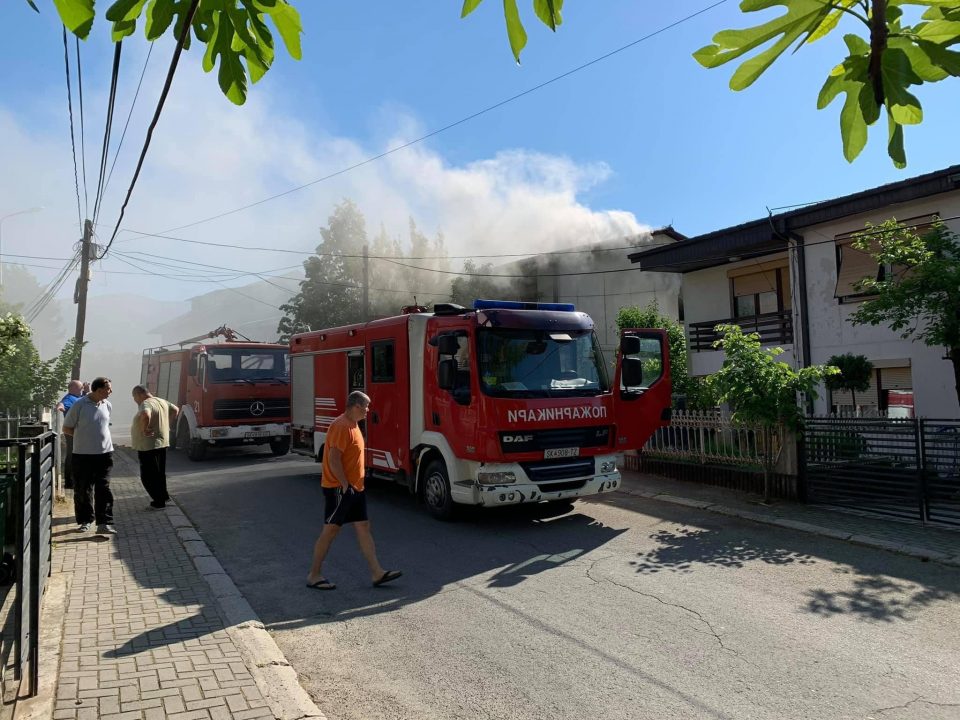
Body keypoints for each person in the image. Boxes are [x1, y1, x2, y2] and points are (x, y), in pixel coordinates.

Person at [305, 391, 401, 590]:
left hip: (354, 488)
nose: (368, 410)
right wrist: (345, 485)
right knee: (330, 530)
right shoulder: (341, 426)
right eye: (366, 407)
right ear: (356, 406)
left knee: (363, 525)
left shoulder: (353, 425)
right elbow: (333, 459)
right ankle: (314, 575)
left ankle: (377, 573)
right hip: (339, 488)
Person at [62, 377, 116, 536]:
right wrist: (83, 438)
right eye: (108, 389)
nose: (110, 391)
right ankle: (86, 521)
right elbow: (66, 428)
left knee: (103, 488)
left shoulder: (107, 405)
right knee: (83, 489)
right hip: (83, 455)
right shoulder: (79, 405)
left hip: (105, 455)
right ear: (98, 390)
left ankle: (104, 523)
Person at [130, 385, 179, 509]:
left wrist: (144, 429)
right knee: (159, 473)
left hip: (148, 445)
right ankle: (164, 496)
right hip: (161, 442)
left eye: (134, 397)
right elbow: (176, 409)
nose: (135, 400)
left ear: (139, 394)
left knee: (148, 476)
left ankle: (158, 502)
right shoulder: (161, 401)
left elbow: (145, 415)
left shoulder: (146, 403)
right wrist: (167, 425)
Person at [56, 379, 84, 490]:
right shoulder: (69, 398)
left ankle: (75, 480)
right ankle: (69, 482)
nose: (82, 389)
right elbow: (62, 404)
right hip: (71, 432)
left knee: (77, 455)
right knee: (72, 455)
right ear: (72, 388)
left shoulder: (78, 397)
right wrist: (60, 407)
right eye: (80, 387)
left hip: (78, 432)